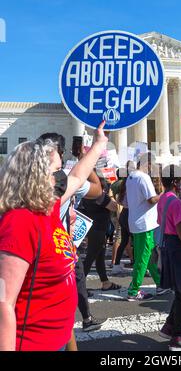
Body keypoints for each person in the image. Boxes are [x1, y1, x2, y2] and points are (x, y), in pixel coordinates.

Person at [0, 122, 107, 351]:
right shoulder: (20, 222)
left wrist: (99, 145)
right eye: (56, 172)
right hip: (31, 344)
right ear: (36, 176)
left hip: (56, 339)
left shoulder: (47, 207)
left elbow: (78, 176)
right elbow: (3, 301)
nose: (61, 177)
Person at [38, 132, 104, 333]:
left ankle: (82, 319)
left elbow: (75, 177)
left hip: (56, 248)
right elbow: (95, 188)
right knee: (73, 284)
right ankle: (86, 318)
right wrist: (84, 155)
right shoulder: (58, 186)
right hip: (59, 248)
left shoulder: (24, 199)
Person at [158, 165, 181, 351]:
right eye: (180, 180)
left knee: (180, 292)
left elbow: (161, 222)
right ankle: (178, 336)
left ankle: (170, 325)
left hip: (167, 246)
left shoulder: (163, 199)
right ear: (174, 182)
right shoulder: (176, 203)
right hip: (179, 248)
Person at [126, 152, 162, 301]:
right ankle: (134, 290)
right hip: (145, 223)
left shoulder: (130, 176)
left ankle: (160, 283)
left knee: (148, 256)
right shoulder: (143, 177)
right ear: (148, 164)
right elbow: (152, 199)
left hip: (136, 221)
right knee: (143, 257)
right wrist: (164, 195)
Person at [80, 177, 121, 291]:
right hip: (98, 229)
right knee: (90, 257)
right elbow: (114, 207)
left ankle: (105, 282)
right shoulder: (99, 196)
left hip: (93, 229)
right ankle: (78, 286)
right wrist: (112, 197)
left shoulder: (86, 196)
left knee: (99, 257)